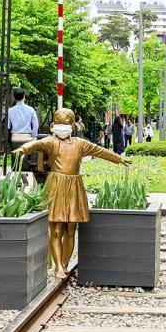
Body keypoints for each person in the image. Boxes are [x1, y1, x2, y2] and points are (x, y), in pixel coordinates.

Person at [13, 108, 132, 278]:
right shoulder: (51, 142)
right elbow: (35, 144)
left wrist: (119, 159)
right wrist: (23, 149)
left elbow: (100, 151)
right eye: (59, 124)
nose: (62, 128)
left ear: (73, 126)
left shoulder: (80, 143)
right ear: (54, 125)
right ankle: (57, 267)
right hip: (56, 186)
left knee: (70, 230)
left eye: (66, 124)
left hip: (74, 187)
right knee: (55, 230)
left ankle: (63, 264)